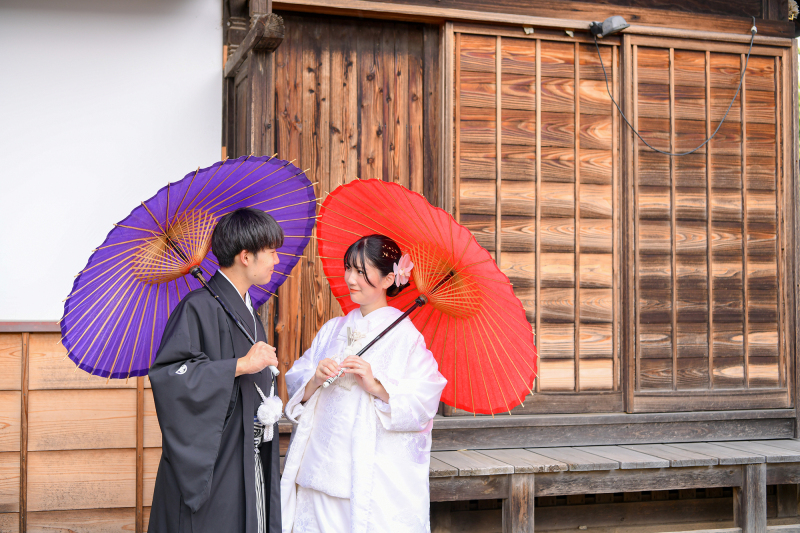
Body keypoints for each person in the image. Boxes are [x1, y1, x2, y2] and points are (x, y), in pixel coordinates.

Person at [281, 234, 447, 533]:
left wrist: (377, 386)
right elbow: (298, 380)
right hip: (319, 463)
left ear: (388, 279)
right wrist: (315, 379)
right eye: (349, 269)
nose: (350, 278)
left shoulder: (406, 338)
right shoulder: (334, 328)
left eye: (361, 271)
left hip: (367, 473)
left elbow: (424, 401)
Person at [148, 207, 283, 533]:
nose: (276, 260)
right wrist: (239, 365)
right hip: (215, 459)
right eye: (271, 251)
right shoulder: (197, 307)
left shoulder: (248, 312)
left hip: (250, 454)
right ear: (246, 256)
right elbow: (170, 377)